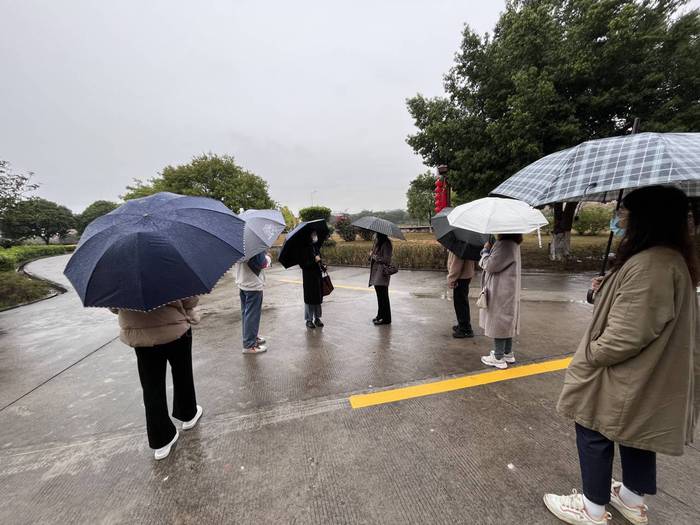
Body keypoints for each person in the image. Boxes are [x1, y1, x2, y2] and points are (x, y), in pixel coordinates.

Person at [544, 186, 699, 525]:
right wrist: (607, 287)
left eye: (624, 213)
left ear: (646, 218)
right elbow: (638, 310)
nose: (619, 219)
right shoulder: (665, 258)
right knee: (636, 433)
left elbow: (627, 334)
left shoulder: (650, 265)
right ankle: (631, 499)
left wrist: (592, 353)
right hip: (649, 371)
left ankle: (592, 508)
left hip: (629, 372)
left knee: (592, 424)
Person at [112, 298, 203, 460]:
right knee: (183, 373)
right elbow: (188, 296)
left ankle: (162, 439)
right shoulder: (169, 278)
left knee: (151, 386)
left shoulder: (118, 281)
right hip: (174, 328)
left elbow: (114, 306)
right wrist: (189, 310)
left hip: (140, 335)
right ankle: (188, 414)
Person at [478, 234, 522, 369]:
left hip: (500, 289)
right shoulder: (514, 243)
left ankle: (498, 357)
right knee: (507, 320)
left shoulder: (504, 244)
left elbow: (490, 265)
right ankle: (507, 352)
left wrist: (485, 251)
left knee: (499, 321)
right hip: (508, 288)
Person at [235, 251, 271, 354]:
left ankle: (250, 337)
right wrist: (268, 257)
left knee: (246, 314)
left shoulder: (239, 243)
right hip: (253, 283)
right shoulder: (254, 246)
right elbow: (261, 263)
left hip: (242, 281)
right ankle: (249, 345)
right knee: (252, 315)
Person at [447, 250, 475, 338]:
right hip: (465, 275)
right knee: (462, 302)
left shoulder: (459, 246)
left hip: (461, 277)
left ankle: (465, 329)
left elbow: (457, 264)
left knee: (460, 303)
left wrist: (451, 279)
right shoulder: (465, 245)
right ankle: (462, 325)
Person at [299, 230, 324, 329]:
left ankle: (317, 318)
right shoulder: (303, 248)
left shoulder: (315, 246)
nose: (315, 236)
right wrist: (315, 261)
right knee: (310, 299)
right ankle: (309, 320)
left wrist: (322, 265)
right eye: (313, 234)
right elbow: (303, 265)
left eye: (315, 234)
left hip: (317, 276)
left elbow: (319, 258)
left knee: (318, 298)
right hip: (309, 278)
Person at [369, 233, 393, 325]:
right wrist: (371, 255)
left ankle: (386, 319)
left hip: (382, 273)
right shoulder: (378, 243)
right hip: (376, 274)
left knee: (384, 297)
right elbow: (374, 256)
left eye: (377, 233)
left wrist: (374, 256)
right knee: (380, 296)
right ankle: (380, 315)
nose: (375, 234)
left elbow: (387, 260)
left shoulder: (386, 244)